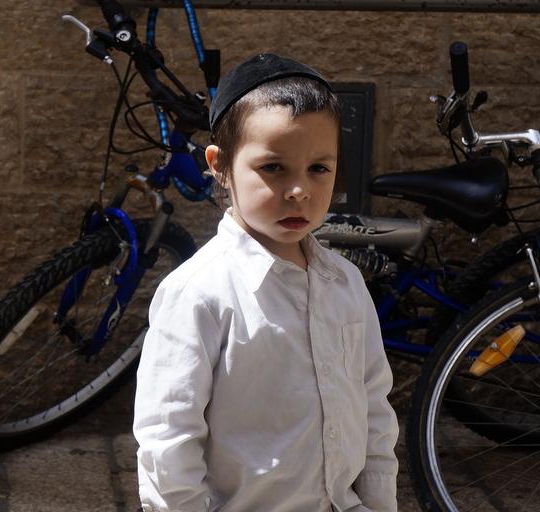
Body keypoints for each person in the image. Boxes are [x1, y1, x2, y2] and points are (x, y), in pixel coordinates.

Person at [133, 53, 399, 512]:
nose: (299, 190)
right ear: (220, 165)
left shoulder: (345, 283)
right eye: (273, 168)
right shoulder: (198, 294)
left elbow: (374, 406)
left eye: (319, 168)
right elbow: (168, 443)